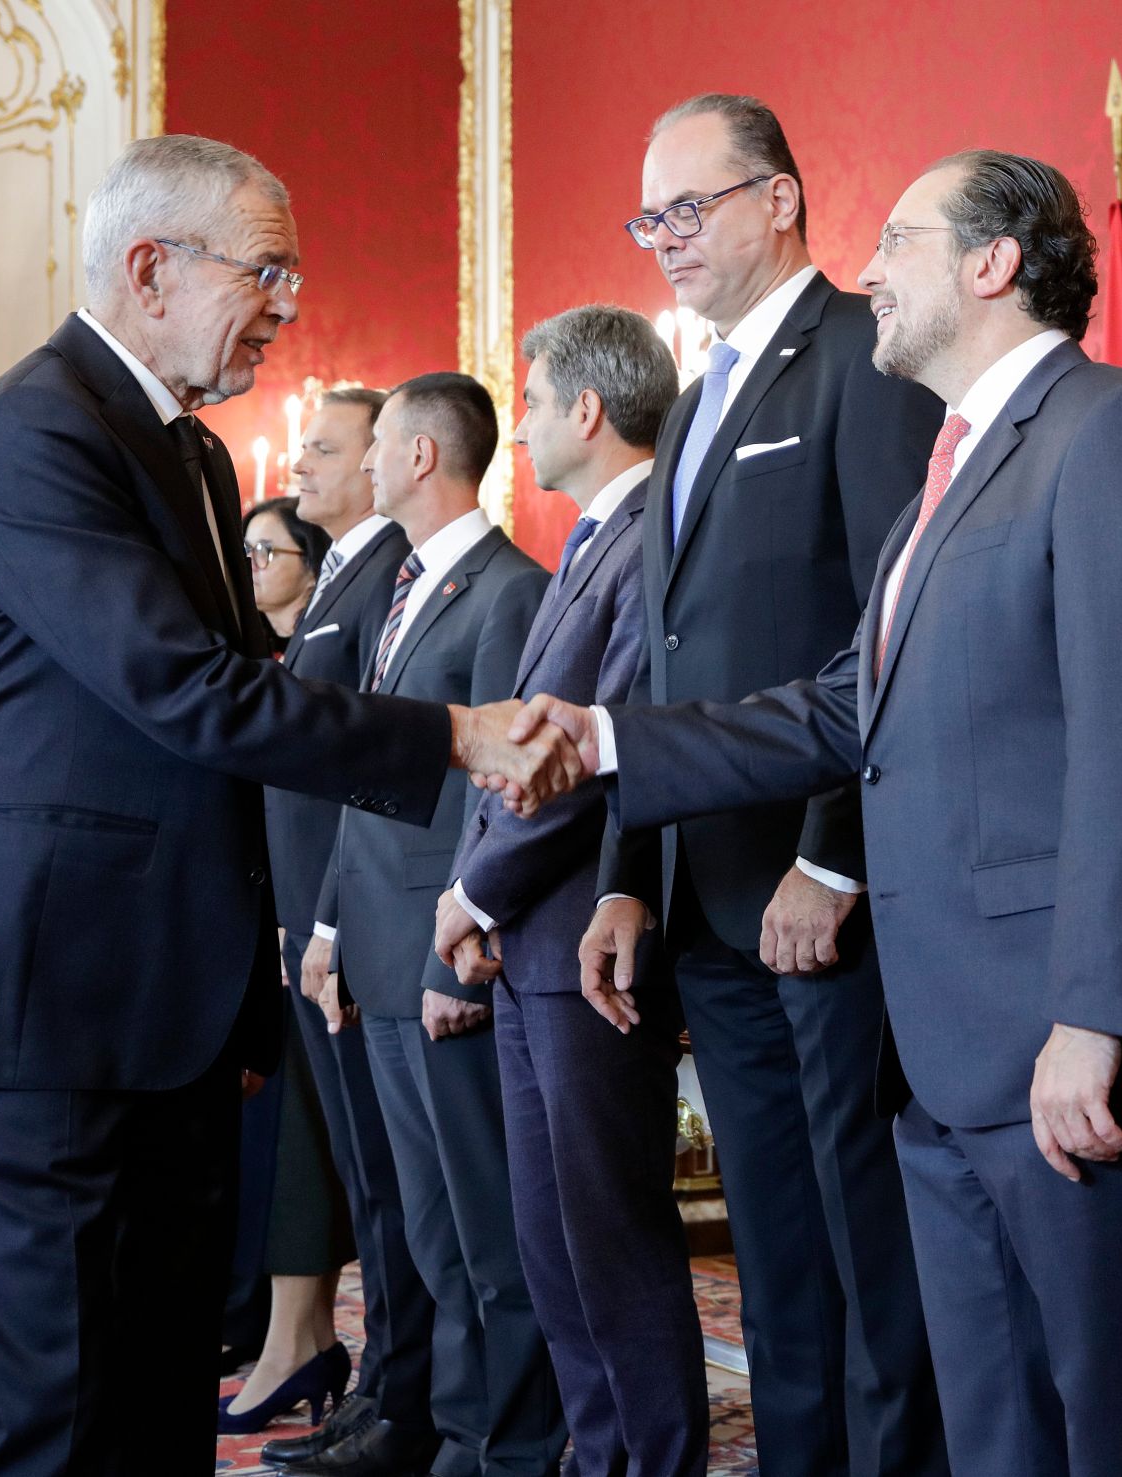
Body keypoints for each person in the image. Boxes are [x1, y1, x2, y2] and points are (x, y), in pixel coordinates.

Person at [499, 148, 1122, 1477]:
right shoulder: (947, 474)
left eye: (899, 242)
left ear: (991, 263)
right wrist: (608, 739)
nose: (866, 271)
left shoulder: (1114, 429)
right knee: (996, 1439)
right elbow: (838, 709)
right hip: (939, 1056)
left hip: (1073, 1054)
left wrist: (1093, 1020)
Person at [0, 134, 578, 1477]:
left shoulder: (191, 456)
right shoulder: (34, 431)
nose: (287, 306)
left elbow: (242, 691)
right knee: (47, 1421)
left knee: (154, 1408)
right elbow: (190, 692)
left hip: (166, 1014)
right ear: (151, 267)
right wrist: (454, 733)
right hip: (47, 1006)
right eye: (267, 271)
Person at [591, 93, 947, 1477]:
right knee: (775, 1257)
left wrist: (831, 854)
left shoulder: (864, 352)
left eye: (690, 207)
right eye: (651, 218)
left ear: (781, 199)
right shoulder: (691, 402)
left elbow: (888, 628)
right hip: (706, 899)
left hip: (821, 901)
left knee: (869, 1249)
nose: (666, 238)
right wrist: (629, 873)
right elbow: (658, 662)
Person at [437, 305, 709, 1476]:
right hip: (532, 949)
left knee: (608, 1239)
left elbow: (592, 758)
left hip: (587, 944)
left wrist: (473, 893)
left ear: (587, 410)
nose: (520, 429)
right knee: (553, 1245)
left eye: (533, 403)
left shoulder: (648, 536)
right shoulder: (592, 538)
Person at [301, 373, 559, 1477]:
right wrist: (330, 926)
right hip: (379, 944)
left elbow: (507, 793)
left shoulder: (511, 591)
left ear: (418, 456)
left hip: (445, 956)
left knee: (485, 1223)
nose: (362, 465)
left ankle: (512, 1442)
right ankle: (461, 1427)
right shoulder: (404, 587)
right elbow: (369, 779)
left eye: (377, 448)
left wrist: (462, 956)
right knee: (430, 1226)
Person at [258, 389, 439, 1471]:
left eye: (322, 449)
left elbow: (373, 767)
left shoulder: (387, 577)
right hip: (313, 918)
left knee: (390, 1173)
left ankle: (406, 1392)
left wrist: (331, 919)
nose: (299, 466)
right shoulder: (343, 573)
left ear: (383, 458)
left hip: (356, 920)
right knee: (364, 1176)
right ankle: (382, 1379)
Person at [220, 491, 352, 1427]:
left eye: (267, 551)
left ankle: (298, 1339)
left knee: (306, 1140)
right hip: (275, 927)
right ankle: (277, 1331)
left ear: (311, 564)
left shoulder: (330, 641)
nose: (251, 566)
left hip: (321, 926)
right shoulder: (260, 657)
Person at [243, 495, 329, 654]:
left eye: (263, 550)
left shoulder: (322, 648)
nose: (249, 562)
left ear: (311, 565)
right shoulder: (245, 645)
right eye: (246, 549)